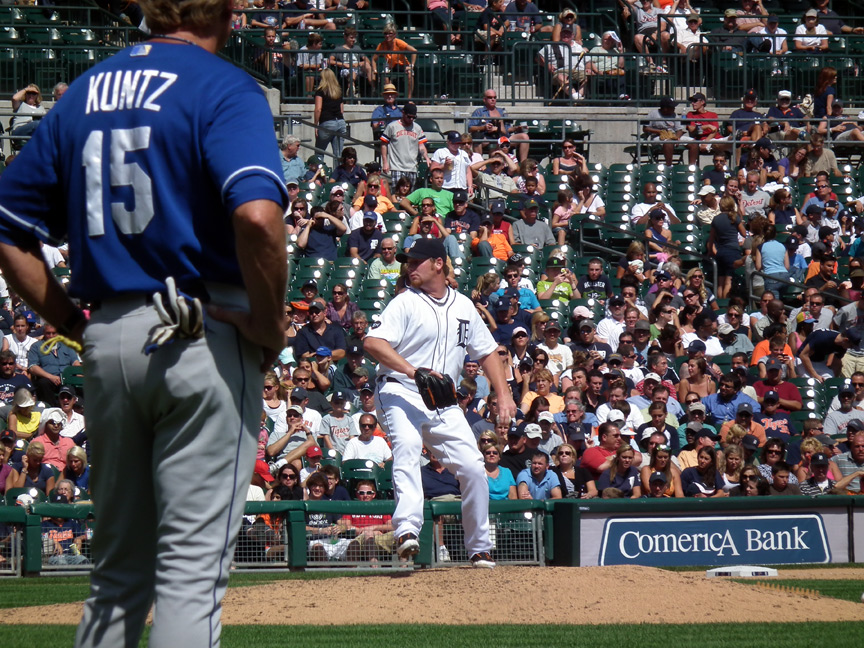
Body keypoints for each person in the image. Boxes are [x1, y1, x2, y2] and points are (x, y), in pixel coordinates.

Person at [0, 0, 291, 643]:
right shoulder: (225, 86)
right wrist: (269, 326)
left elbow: (10, 227)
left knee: (116, 579)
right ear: (226, 13)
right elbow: (257, 218)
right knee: (188, 575)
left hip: (106, 333)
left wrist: (75, 325)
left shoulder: (83, 93)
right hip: (200, 329)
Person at [364, 238, 517, 569]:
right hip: (399, 390)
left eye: (415, 261)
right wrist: (412, 370)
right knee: (406, 444)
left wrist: (503, 393)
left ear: (437, 264)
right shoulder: (404, 302)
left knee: (474, 468)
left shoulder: (463, 306)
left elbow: (487, 351)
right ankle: (406, 529)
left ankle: (479, 548)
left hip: (442, 401)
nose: (409, 267)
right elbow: (373, 342)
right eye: (407, 261)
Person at [380, 102, 430, 189]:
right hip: (397, 167)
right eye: (409, 116)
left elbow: (421, 145)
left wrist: (426, 157)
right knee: (397, 193)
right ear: (403, 113)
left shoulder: (417, 128)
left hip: (412, 167)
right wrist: (385, 162)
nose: (411, 119)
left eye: (413, 117)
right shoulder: (392, 126)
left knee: (409, 196)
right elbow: (384, 144)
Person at [372, 24, 417, 99]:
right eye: (385, 33)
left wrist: (411, 65)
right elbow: (374, 59)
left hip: (402, 65)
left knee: (410, 75)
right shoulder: (382, 45)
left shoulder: (399, 42)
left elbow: (414, 51)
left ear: (394, 35)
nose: (387, 36)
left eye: (390, 33)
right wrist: (375, 70)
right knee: (385, 76)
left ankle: (409, 98)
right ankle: (390, 97)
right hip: (390, 66)